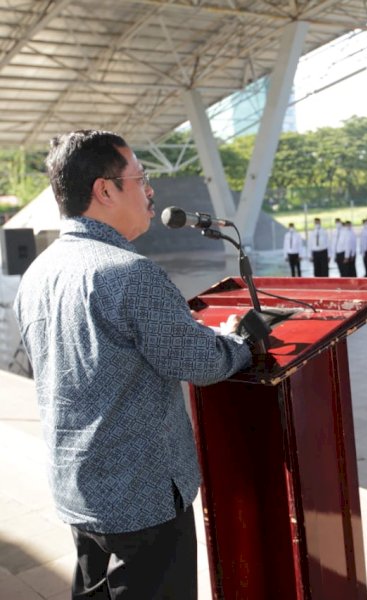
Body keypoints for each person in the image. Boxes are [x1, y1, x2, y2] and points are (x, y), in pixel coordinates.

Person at [13, 130, 253, 598]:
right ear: (104, 190)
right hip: (143, 502)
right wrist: (240, 340)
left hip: (80, 491)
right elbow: (201, 362)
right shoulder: (128, 272)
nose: (151, 192)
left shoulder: (37, 273)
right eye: (141, 179)